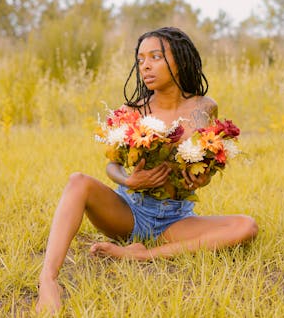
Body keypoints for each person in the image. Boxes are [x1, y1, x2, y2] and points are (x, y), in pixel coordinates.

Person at [36, 27, 258, 313]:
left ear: (179, 60)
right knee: (78, 181)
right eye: (141, 60)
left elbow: (207, 160)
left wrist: (202, 179)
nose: (146, 66)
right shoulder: (133, 110)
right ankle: (48, 279)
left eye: (155, 57)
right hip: (128, 212)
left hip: (176, 221)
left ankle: (143, 255)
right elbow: (111, 164)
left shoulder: (204, 107)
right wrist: (129, 179)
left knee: (246, 226)